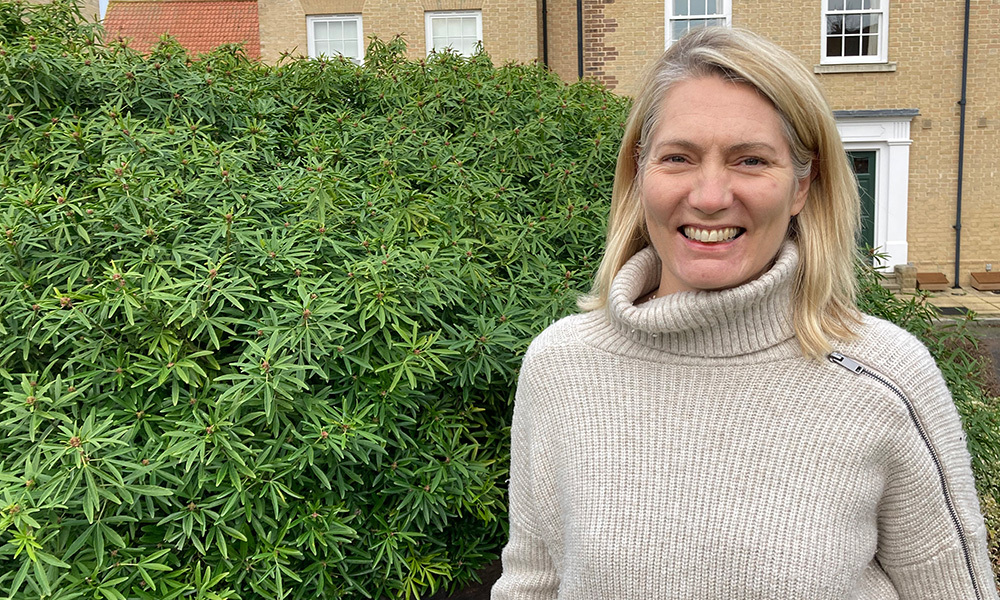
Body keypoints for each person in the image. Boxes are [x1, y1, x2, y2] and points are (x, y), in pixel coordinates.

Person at [491, 27, 998, 599]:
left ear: (803, 186)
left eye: (750, 160)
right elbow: (532, 582)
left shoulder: (884, 378)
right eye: (678, 157)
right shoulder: (560, 365)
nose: (709, 195)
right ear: (639, 176)